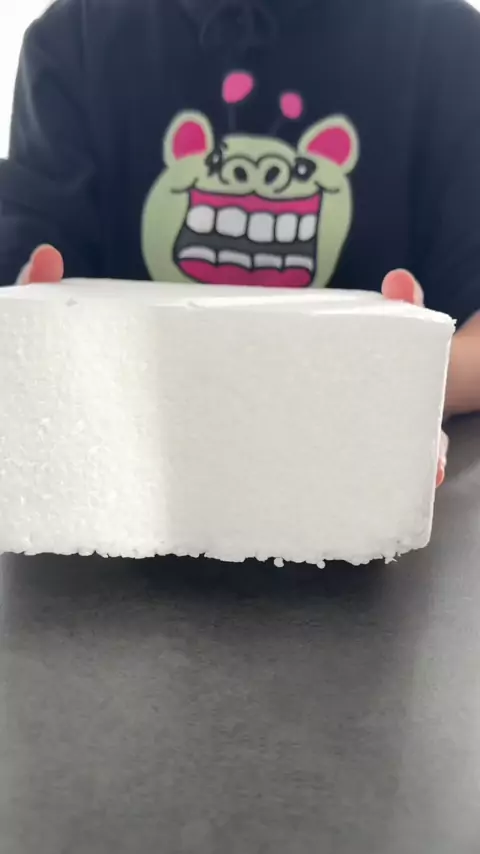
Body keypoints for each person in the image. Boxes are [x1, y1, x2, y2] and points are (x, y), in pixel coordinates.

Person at [1, 0, 479, 480]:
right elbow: (31, 304)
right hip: (114, 479)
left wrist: (409, 386)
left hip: (366, 484)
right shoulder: (72, 39)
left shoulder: (450, 43)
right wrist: (32, 342)